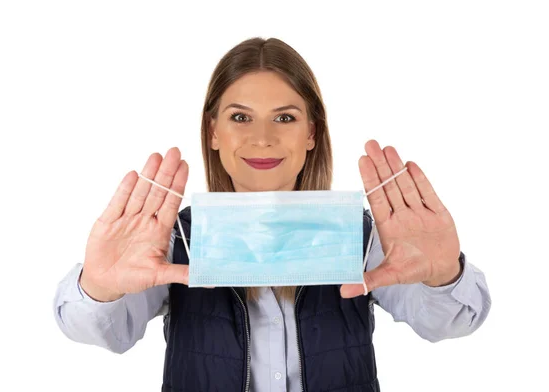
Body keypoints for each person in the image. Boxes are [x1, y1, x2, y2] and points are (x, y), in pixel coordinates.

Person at [53, 37, 491, 392]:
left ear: (311, 133)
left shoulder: (359, 235)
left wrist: (444, 276)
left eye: (284, 118)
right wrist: (98, 287)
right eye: (240, 116)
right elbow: (100, 333)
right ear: (214, 132)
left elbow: (449, 323)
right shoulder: (172, 239)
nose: (262, 138)